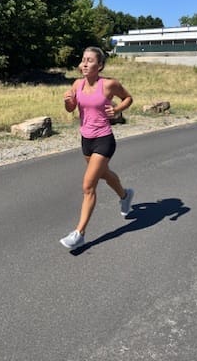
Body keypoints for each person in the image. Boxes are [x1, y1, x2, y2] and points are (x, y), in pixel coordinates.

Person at [59, 46, 134, 250]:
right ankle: (125, 195)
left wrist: (116, 109)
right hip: (86, 139)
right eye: (83, 59)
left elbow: (128, 98)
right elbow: (71, 109)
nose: (84, 63)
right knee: (103, 174)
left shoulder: (109, 84)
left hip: (104, 139)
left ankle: (79, 233)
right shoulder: (77, 84)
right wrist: (68, 101)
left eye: (90, 60)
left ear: (99, 65)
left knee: (88, 186)